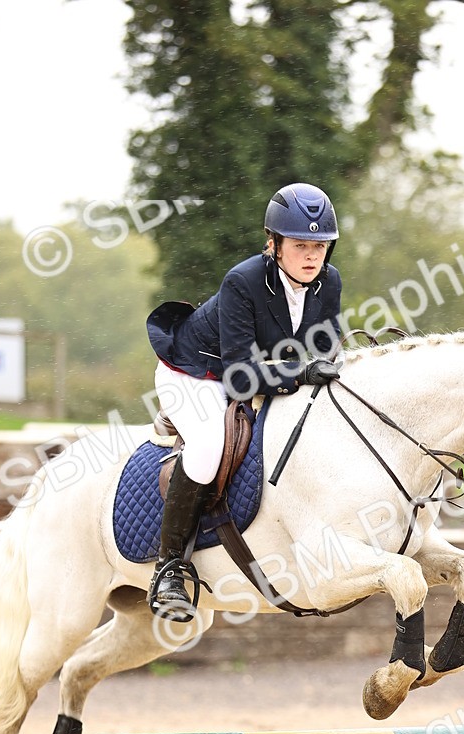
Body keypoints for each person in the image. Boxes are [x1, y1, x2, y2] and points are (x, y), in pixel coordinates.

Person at [145, 181, 343, 620]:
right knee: (210, 445)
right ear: (273, 244)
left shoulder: (328, 282)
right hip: (197, 374)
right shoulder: (243, 281)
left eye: (321, 245)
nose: (312, 256)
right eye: (300, 245)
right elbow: (238, 378)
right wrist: (302, 372)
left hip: (259, 372)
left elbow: (327, 352)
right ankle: (169, 568)